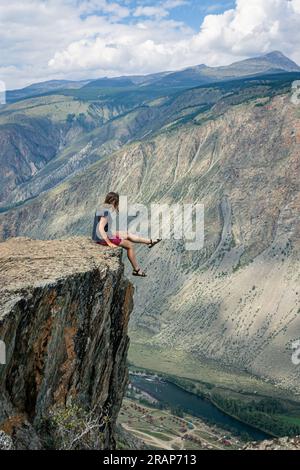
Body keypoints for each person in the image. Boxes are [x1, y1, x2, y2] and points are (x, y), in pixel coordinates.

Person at [92, 192, 161, 277]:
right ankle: (136, 270)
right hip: (102, 238)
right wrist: (109, 243)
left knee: (127, 234)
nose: (117, 205)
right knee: (130, 245)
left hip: (100, 235)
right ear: (113, 202)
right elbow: (101, 228)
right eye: (117, 203)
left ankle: (150, 241)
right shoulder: (106, 212)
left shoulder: (102, 207)